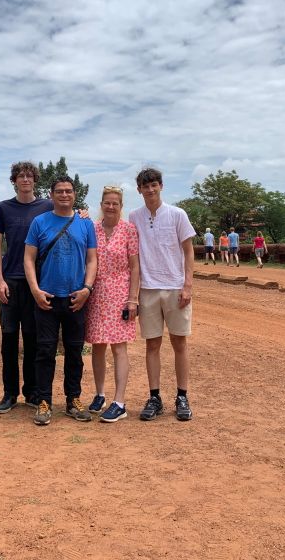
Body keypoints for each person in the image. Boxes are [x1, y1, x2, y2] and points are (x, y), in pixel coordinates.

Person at [24, 176, 98, 426]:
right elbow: (29, 259)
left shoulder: (85, 224)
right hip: (47, 297)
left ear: (74, 194)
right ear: (52, 194)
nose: (64, 195)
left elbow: (92, 259)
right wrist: (35, 290)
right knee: (44, 351)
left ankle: (73, 399)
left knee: (75, 352)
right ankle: (44, 401)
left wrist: (87, 288)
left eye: (68, 191)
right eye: (59, 191)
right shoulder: (39, 222)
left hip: (76, 298)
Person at [128, 168, 196, 422]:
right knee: (152, 344)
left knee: (179, 343)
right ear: (139, 190)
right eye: (145, 186)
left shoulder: (178, 215)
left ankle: (182, 396)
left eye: (154, 185)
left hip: (175, 287)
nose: (150, 190)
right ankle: (154, 396)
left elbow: (188, 251)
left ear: (161, 186)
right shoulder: (134, 217)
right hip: (148, 289)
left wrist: (187, 285)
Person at [0, 162, 52, 413]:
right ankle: (9, 393)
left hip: (35, 283)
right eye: (20, 176)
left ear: (35, 180)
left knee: (32, 339)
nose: (25, 179)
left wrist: (82, 213)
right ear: (14, 180)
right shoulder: (4, 208)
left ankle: (31, 391)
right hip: (11, 281)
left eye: (29, 175)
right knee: (8, 340)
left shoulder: (46, 207)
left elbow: (67, 217)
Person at [85, 186, 140, 423]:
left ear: (120, 205)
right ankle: (100, 394)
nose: (110, 207)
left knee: (119, 347)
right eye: (107, 202)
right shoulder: (92, 229)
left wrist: (133, 298)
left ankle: (119, 401)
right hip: (96, 293)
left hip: (120, 294)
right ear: (101, 204)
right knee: (97, 345)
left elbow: (135, 267)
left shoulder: (129, 230)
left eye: (115, 203)